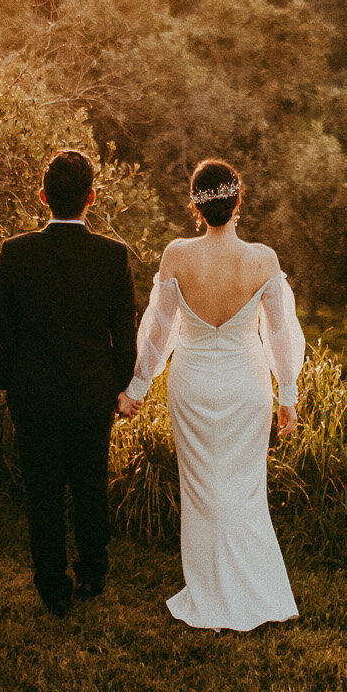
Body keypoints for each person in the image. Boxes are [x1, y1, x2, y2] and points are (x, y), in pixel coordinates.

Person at [120, 158, 305, 630]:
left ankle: (210, 590)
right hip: (247, 382)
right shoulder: (263, 259)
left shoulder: (177, 254)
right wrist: (288, 394)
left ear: (195, 206)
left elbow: (159, 330)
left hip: (193, 382)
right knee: (245, 489)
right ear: (238, 201)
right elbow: (280, 334)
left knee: (201, 489)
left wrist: (138, 386)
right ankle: (253, 590)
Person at [0, 149, 137, 620]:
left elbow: (3, 327)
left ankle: (52, 585)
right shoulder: (113, 256)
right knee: (91, 484)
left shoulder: (16, 252)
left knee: (44, 492)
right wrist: (120, 386)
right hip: (93, 393)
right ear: (91, 198)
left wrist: (4, 379)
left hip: (32, 393)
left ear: (42, 196)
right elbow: (124, 331)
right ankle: (93, 571)